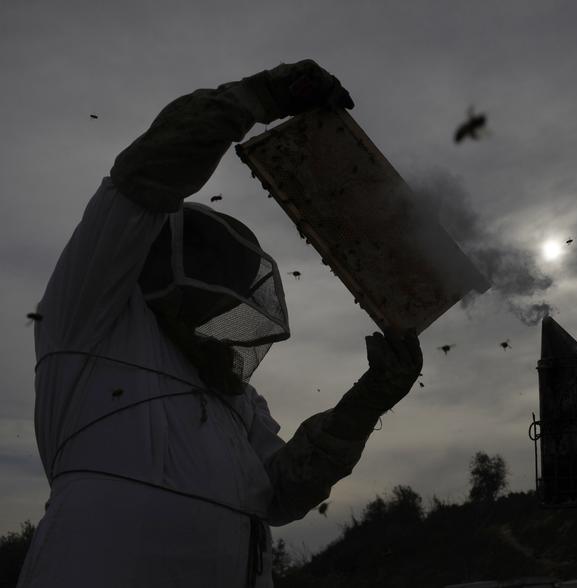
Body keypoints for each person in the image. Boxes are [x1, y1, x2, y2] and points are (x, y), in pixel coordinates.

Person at [19, 60, 422, 588]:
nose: (221, 297)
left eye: (231, 285)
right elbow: (145, 177)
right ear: (167, 259)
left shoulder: (238, 400)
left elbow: (283, 494)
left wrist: (370, 397)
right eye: (214, 274)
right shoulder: (91, 312)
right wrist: (256, 98)